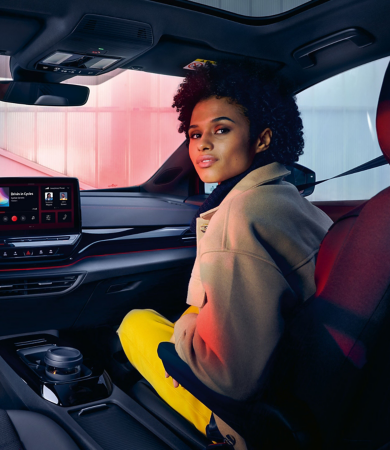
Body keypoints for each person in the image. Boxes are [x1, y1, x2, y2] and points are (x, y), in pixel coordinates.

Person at [117, 61, 332, 445]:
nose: (201, 143)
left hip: (254, 420)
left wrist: (189, 321)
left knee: (134, 323)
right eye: (194, 133)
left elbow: (230, 380)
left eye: (221, 129)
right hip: (309, 381)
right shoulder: (286, 198)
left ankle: (219, 434)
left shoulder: (239, 216)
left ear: (263, 139)